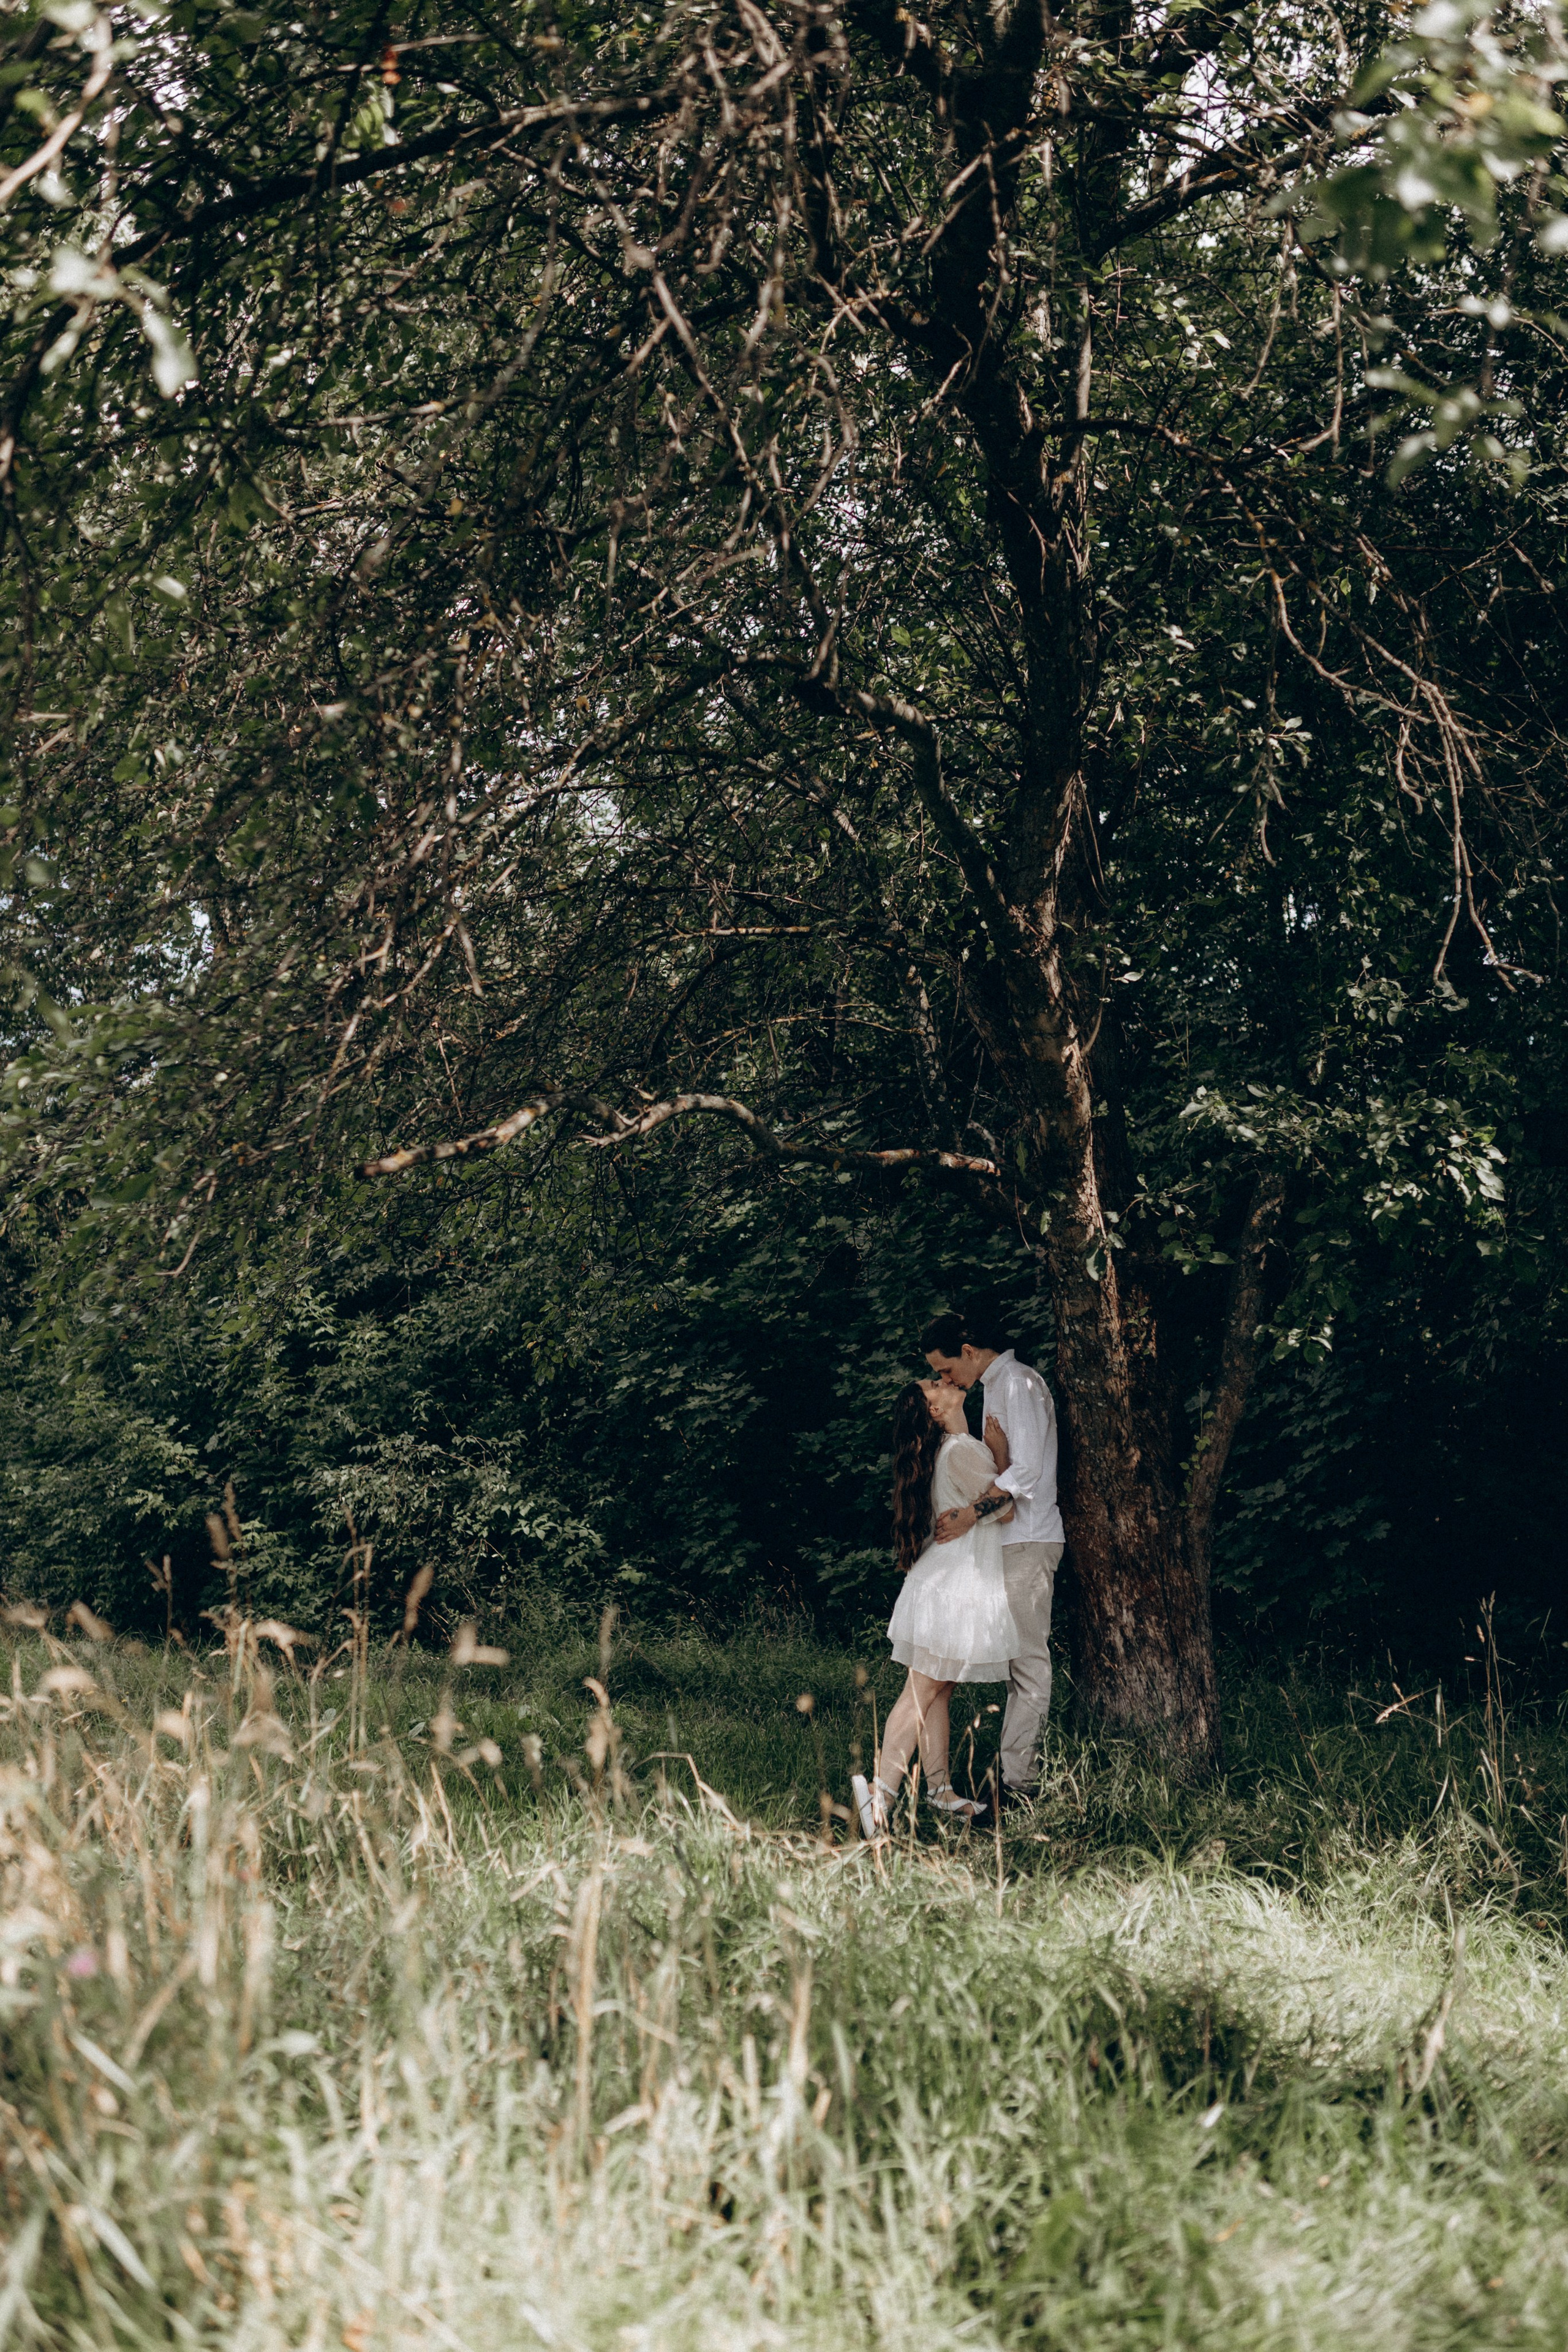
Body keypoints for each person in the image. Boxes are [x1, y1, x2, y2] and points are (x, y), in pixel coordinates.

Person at [851, 1379, 1020, 1837]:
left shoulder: (955, 1449)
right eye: (933, 1384)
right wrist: (1002, 1455)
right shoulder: (963, 1450)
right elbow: (1005, 1509)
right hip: (951, 1588)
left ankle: (940, 1790)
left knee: (938, 1691)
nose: (943, 1380)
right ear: (933, 1410)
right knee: (921, 1693)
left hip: (947, 1585)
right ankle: (879, 1799)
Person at [921, 1308, 1065, 1809]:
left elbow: (1024, 1473)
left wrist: (969, 1515)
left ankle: (1018, 1786)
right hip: (1009, 1538)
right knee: (1010, 1664)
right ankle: (995, 1776)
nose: (944, 1380)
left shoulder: (1019, 1383)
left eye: (944, 1369)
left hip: (1028, 1539)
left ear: (967, 1350)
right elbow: (1006, 1467)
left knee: (1027, 1664)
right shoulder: (995, 1386)